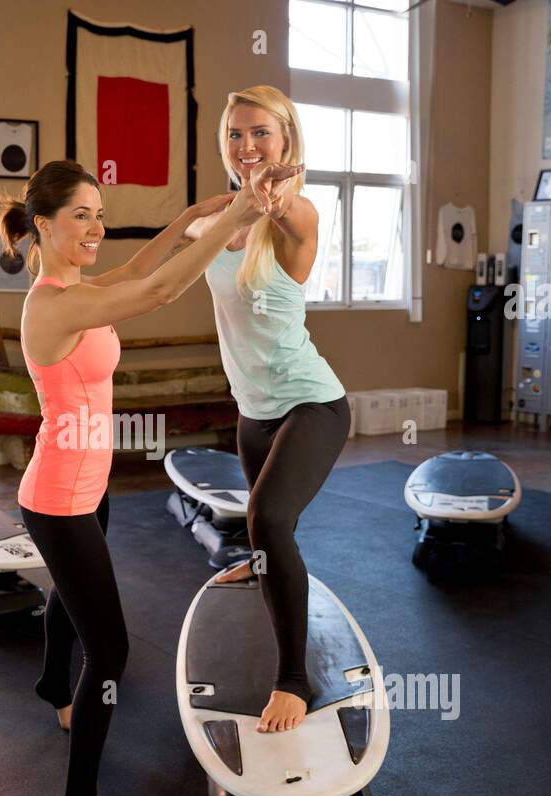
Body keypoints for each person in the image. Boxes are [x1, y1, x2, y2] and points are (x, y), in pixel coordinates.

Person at [0, 157, 300, 796]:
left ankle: (52, 688)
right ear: (43, 224)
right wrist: (239, 213)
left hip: (84, 486)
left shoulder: (72, 284)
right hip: (59, 500)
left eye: (100, 214)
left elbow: (138, 273)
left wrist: (186, 222)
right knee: (110, 652)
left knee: (66, 602)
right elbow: (161, 291)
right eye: (81, 215)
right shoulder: (53, 304)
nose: (96, 227)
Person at [183, 85, 351, 736]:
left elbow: (292, 220)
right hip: (252, 412)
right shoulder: (217, 219)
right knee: (264, 538)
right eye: (235, 135)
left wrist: (274, 204)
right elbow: (176, 259)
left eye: (261, 134)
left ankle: (294, 681)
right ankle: (268, 586)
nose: (247, 146)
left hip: (313, 403)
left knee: (267, 517)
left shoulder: (298, 214)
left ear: (286, 140)